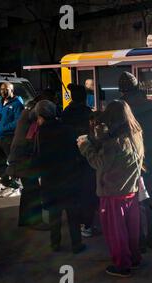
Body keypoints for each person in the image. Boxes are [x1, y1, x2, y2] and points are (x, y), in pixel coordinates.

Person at [78, 100, 144, 277]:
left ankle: (122, 266)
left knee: (116, 233)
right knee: (131, 230)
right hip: (131, 191)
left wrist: (85, 147)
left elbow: (99, 163)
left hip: (113, 193)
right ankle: (134, 259)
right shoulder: (136, 135)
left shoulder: (114, 142)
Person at [119, 71, 152, 251]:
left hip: (129, 163)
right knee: (150, 202)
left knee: (133, 203)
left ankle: (138, 242)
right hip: (150, 161)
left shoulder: (122, 108)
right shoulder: (151, 106)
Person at [34, 100, 86, 253]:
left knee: (54, 215)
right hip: (69, 178)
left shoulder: (40, 133)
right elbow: (77, 152)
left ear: (41, 116)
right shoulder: (68, 129)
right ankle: (76, 244)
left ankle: (55, 243)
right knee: (73, 214)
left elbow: (38, 158)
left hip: (51, 181)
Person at [6, 92, 56, 230]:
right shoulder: (31, 114)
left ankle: (24, 220)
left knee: (28, 190)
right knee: (33, 190)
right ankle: (36, 221)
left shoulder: (27, 113)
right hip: (23, 159)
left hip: (20, 157)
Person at [61, 84, 98, 237]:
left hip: (70, 159)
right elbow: (93, 136)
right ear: (83, 97)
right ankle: (87, 224)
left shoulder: (65, 113)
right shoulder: (87, 113)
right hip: (86, 159)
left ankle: (76, 223)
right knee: (88, 192)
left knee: (74, 192)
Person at [0, 82, 24, 197]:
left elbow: (17, 122)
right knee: (1, 162)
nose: (3, 91)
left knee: (12, 162)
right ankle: (6, 183)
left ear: (12, 90)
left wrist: (3, 128)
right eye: (1, 89)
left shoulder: (17, 104)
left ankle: (17, 186)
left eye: (6, 89)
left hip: (10, 137)